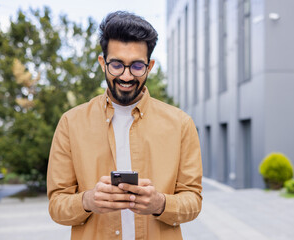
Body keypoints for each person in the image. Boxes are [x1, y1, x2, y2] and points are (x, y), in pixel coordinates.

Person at [47, 11, 202, 240]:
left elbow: (193, 200)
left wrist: (160, 203)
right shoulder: (71, 123)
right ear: (103, 63)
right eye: (117, 65)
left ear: (149, 66)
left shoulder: (181, 124)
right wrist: (87, 201)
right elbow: (57, 206)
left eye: (137, 66)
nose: (127, 76)